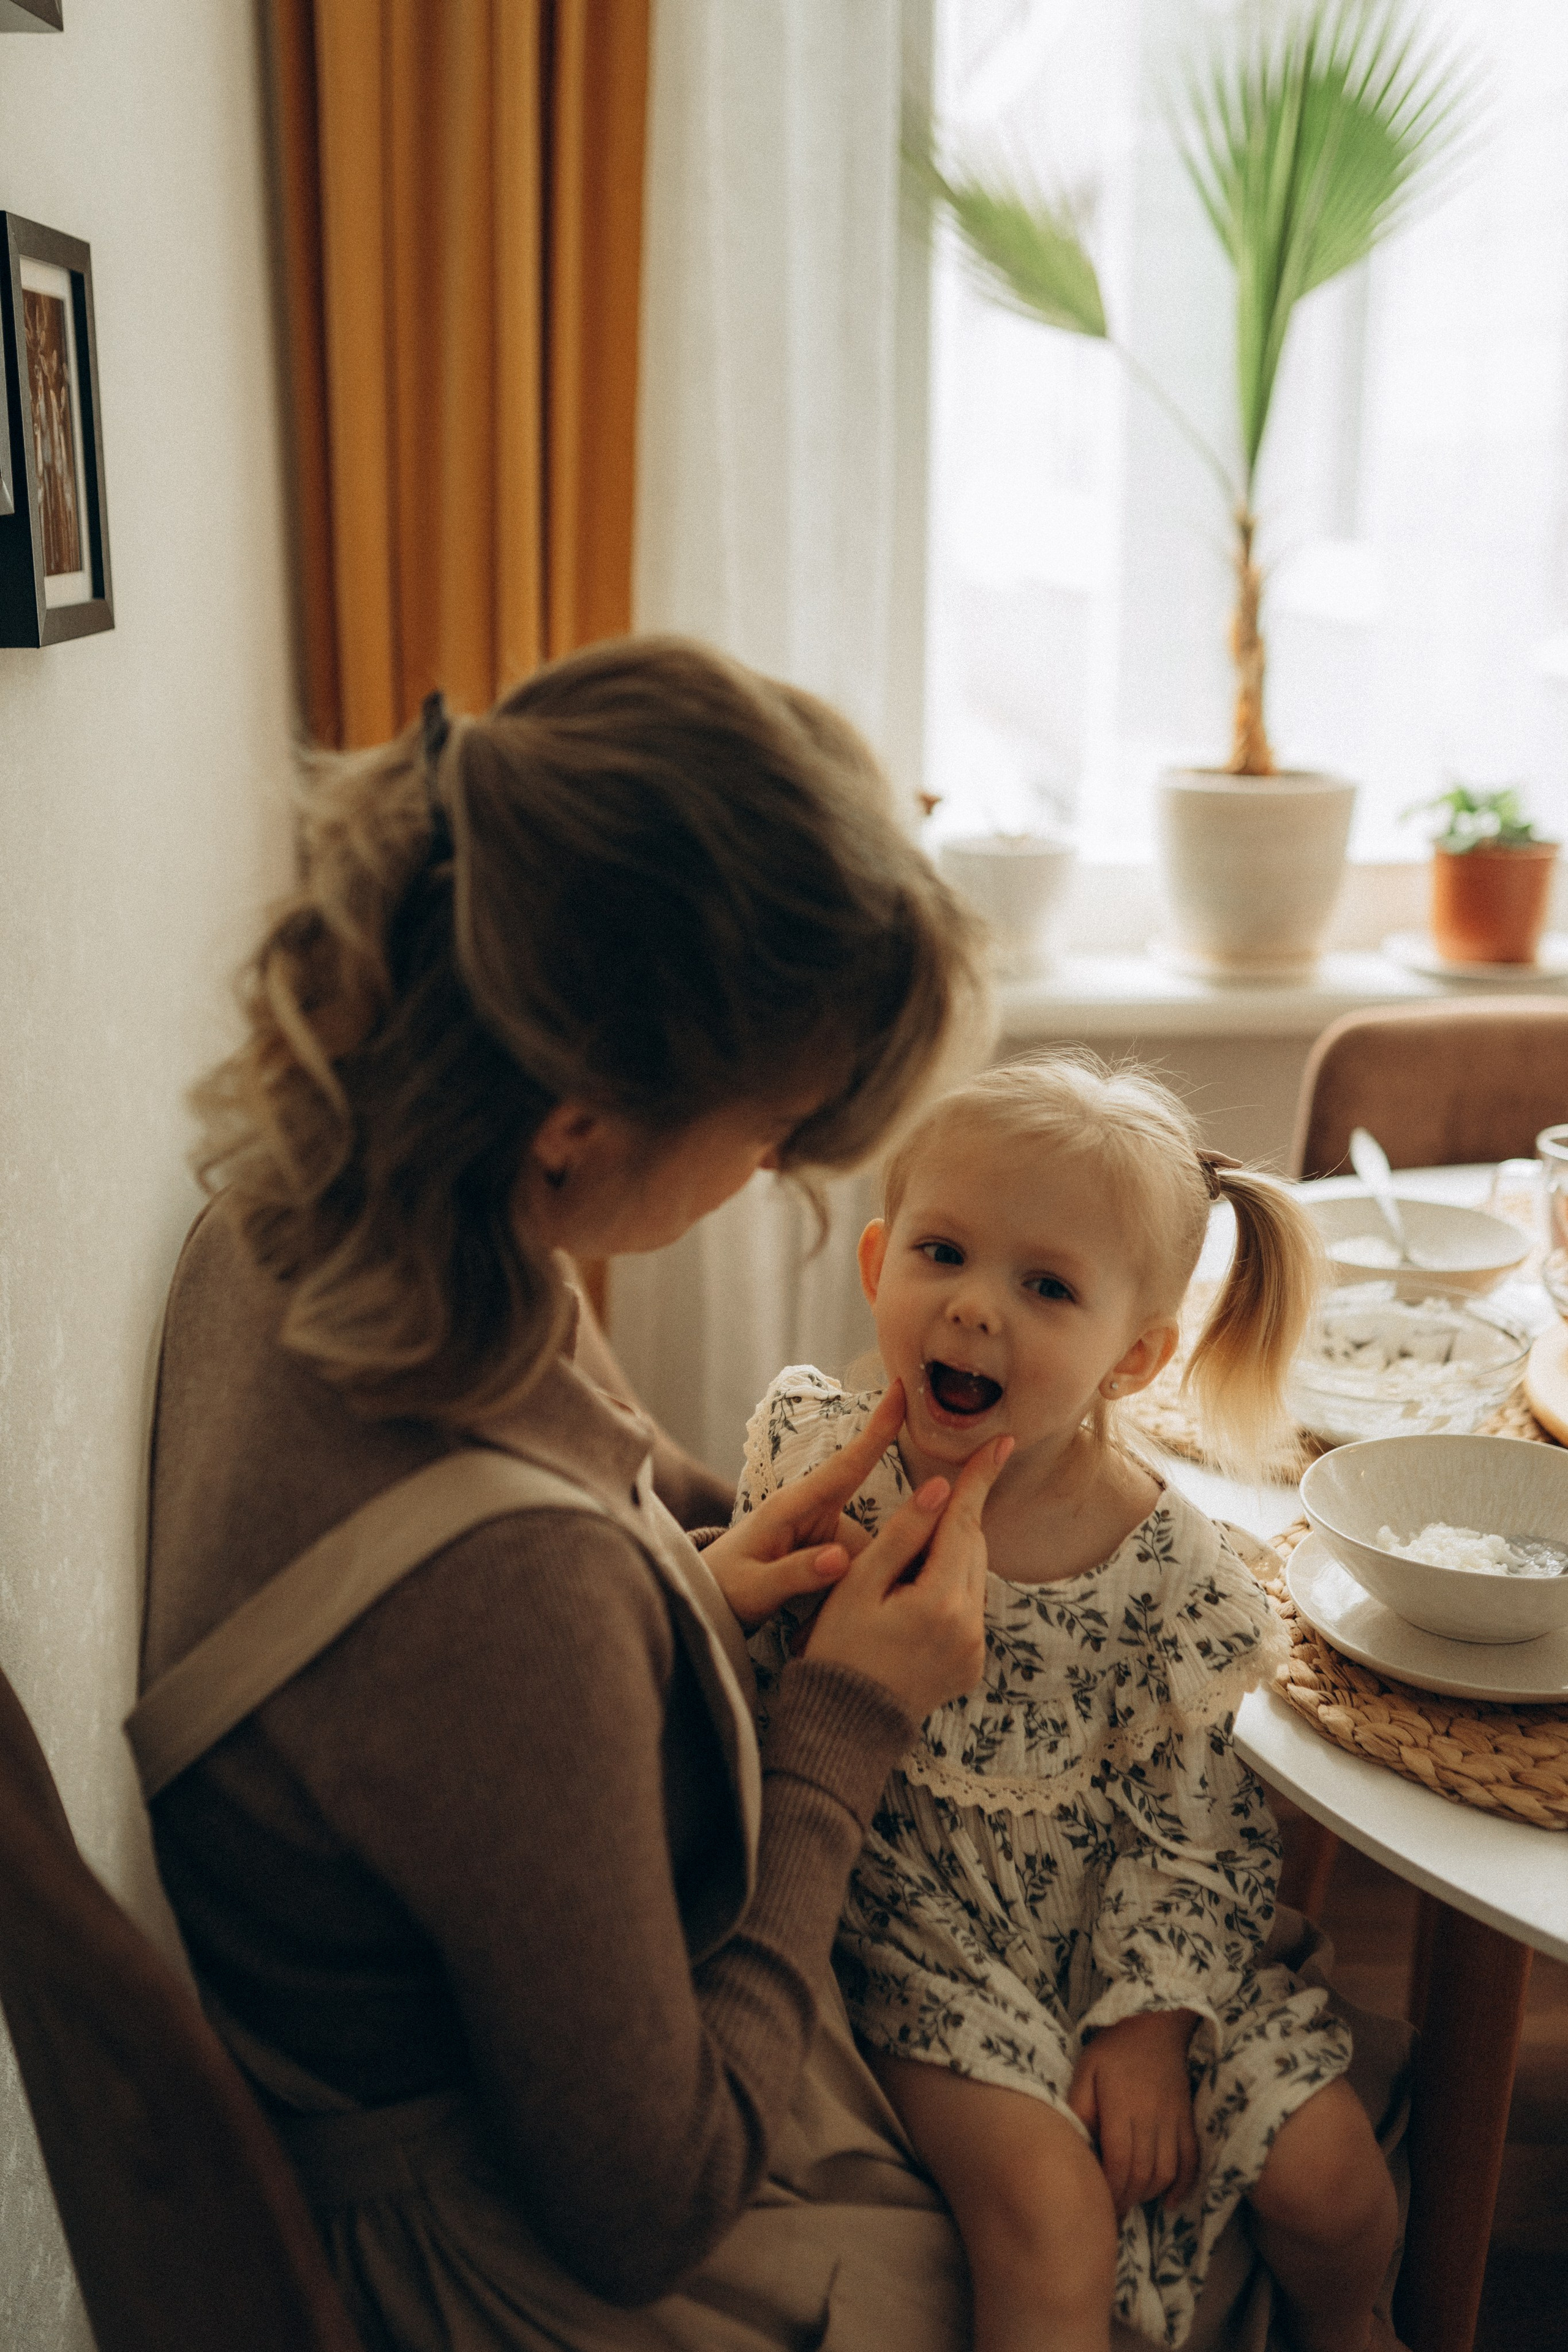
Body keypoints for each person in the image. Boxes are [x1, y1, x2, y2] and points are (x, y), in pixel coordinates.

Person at [134, 635, 1003, 2350]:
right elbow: (646, 2212)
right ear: (577, 1123)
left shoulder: (315, 1214)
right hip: (493, 2251)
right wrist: (841, 1728)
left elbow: (456, 1668)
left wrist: (691, 1570)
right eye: (770, 1130)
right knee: (1117, 2263)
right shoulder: (512, 1603)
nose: (773, 1173)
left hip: (482, 2064)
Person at [740, 1055, 1403, 2352]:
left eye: (1046, 1287)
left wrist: (1150, 2024)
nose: (973, 1308)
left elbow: (1197, 1833)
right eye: (942, 1252)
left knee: (1336, 2185)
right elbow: (754, 1704)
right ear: (876, 1264)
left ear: (1132, 1358)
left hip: (1131, 1928)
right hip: (919, 1924)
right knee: (1051, 2221)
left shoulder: (1174, 1573)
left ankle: (1351, 2330)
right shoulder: (815, 1460)